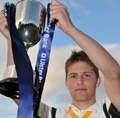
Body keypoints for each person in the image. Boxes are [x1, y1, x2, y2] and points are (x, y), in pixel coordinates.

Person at [0, 0, 120, 117]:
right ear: (66, 83)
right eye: (73, 76)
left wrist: (69, 28)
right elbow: (20, 93)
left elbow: (113, 72)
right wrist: (12, 40)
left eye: (87, 75)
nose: (80, 81)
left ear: (98, 81)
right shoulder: (52, 115)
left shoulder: (109, 111)